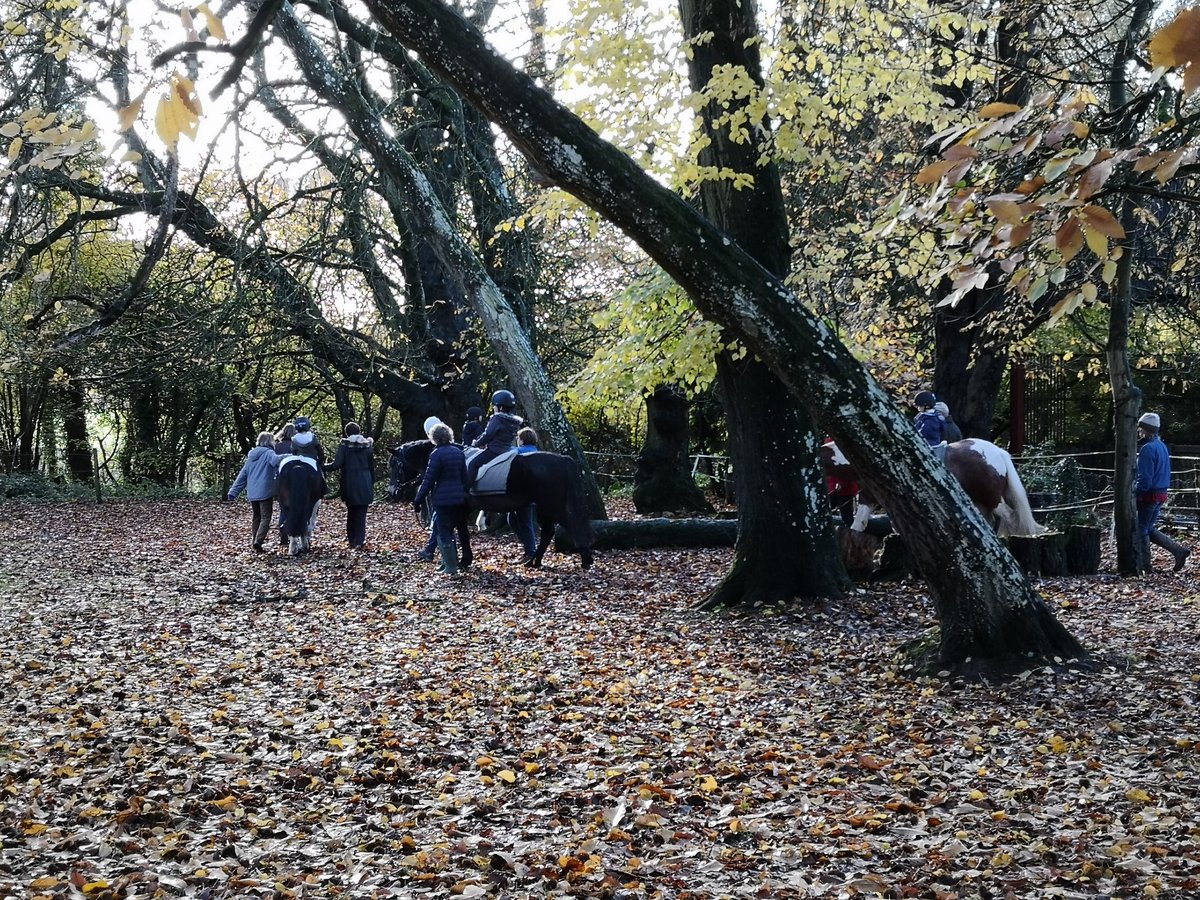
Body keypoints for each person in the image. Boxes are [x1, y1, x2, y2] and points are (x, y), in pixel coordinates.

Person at [1136, 412, 1190, 573]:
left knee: (1141, 529)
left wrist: (1136, 493)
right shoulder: (1162, 446)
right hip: (1161, 493)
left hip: (1149, 494)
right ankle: (1178, 551)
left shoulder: (1147, 449)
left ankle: (1144, 566)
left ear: (1145, 429)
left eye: (1140, 428)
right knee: (1149, 528)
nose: (1139, 431)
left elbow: (1145, 478)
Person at [413, 422, 469, 575]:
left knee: (443, 530)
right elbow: (465, 476)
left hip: (443, 500)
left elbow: (429, 480)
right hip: (459, 499)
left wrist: (418, 500)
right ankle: (447, 562)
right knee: (444, 529)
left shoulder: (436, 454)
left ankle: (450, 566)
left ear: (434, 438)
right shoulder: (458, 452)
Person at [323, 422, 375, 550]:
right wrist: (371, 482)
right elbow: (371, 467)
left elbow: (336, 464)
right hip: (365, 480)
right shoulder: (368, 446)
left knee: (351, 512)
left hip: (349, 481)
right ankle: (359, 541)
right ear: (359, 431)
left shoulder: (344, 446)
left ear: (347, 433)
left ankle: (352, 539)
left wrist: (322, 466)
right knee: (361, 513)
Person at [227, 432, 280, 552]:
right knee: (266, 517)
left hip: (252, 492)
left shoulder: (251, 456)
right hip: (265, 491)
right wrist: (291, 456)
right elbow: (276, 461)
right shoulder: (269, 453)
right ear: (270, 441)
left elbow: (243, 474)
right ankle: (258, 541)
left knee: (256, 517)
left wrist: (233, 492)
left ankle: (255, 541)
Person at [465, 389, 524, 486]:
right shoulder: (514, 421)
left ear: (501, 407)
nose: (493, 408)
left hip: (494, 450)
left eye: (494, 406)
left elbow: (488, 434)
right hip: (507, 449)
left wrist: (476, 443)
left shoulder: (497, 418)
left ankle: (467, 489)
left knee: (473, 464)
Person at [508, 427, 540, 558]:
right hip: (532, 492)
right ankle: (529, 546)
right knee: (514, 519)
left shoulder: (518, 452)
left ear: (522, 440)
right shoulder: (537, 452)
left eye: (518, 438)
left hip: (520, 493)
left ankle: (530, 550)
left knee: (523, 522)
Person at [273, 423, 298, 546]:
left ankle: (282, 529)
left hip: (279, 480)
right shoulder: (295, 446)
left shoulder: (276, 446)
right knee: (294, 506)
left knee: (283, 506)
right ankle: (289, 528)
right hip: (293, 479)